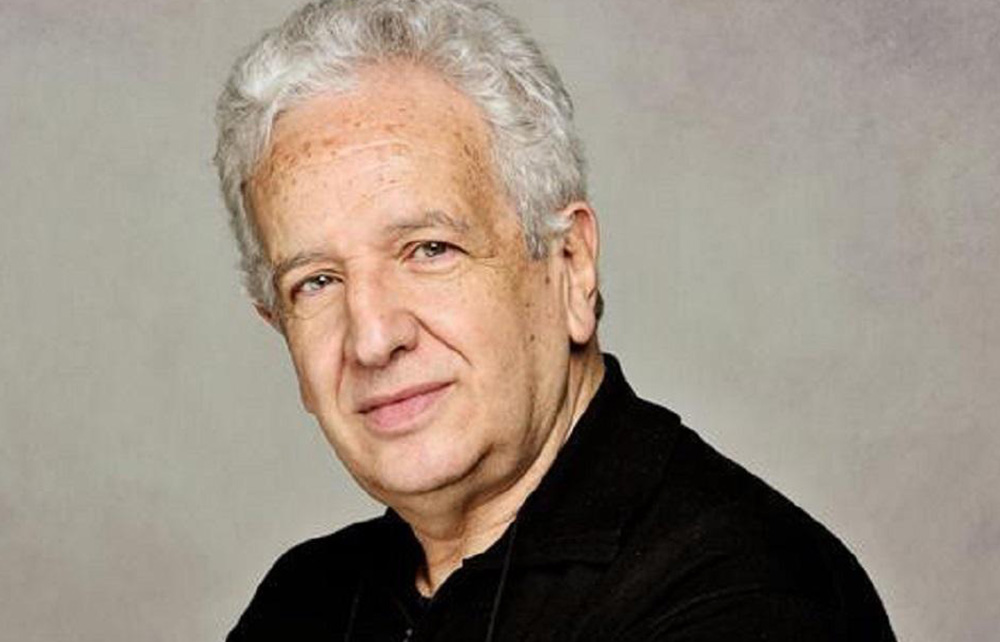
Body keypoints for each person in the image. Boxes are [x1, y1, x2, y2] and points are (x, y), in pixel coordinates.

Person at [214, 1, 896, 639]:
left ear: (571, 264)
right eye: (317, 282)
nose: (371, 338)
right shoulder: (301, 601)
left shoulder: (750, 594)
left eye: (430, 249)